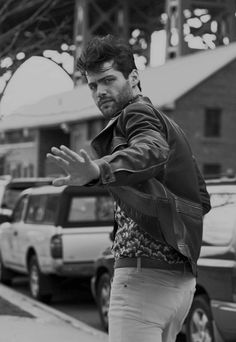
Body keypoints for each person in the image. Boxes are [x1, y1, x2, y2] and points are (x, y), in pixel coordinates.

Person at [47, 34, 211, 342]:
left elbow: (150, 150)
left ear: (134, 77)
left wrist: (100, 169)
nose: (100, 92)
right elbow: (201, 198)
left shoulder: (136, 114)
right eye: (93, 85)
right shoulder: (171, 125)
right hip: (180, 284)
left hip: (142, 282)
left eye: (108, 80)